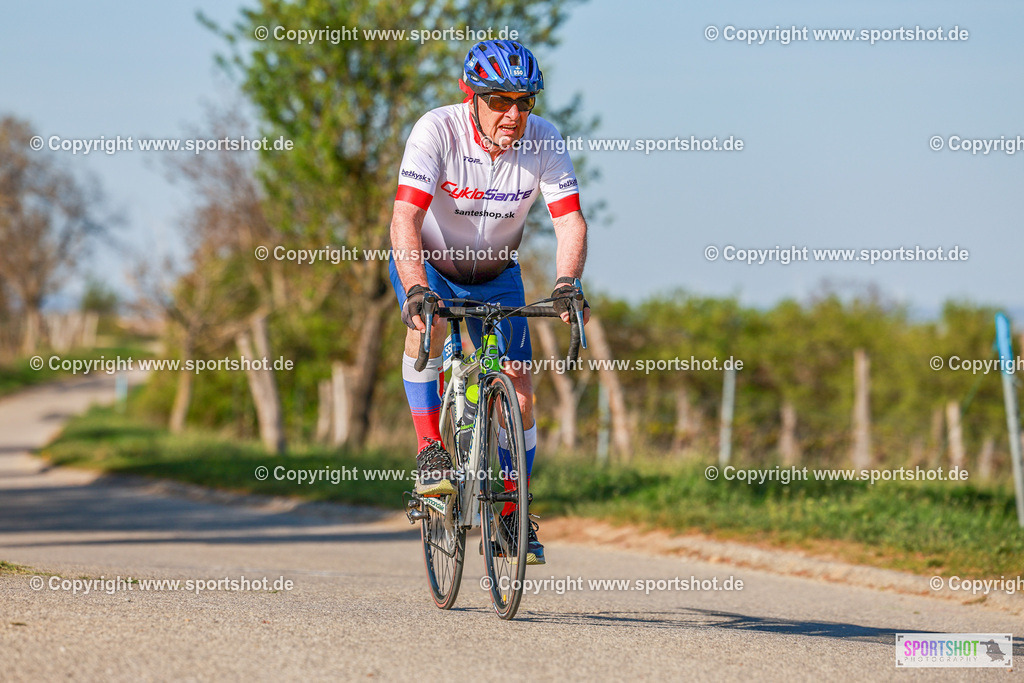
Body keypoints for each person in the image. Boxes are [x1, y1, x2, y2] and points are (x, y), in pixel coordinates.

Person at [389, 39, 589, 565]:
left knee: (519, 386)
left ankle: (512, 510)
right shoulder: (437, 129)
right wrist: (415, 289)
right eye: (500, 100)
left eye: (524, 102)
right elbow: (405, 218)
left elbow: (569, 220)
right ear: (471, 96)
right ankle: (430, 449)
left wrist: (567, 282)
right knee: (426, 333)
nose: (514, 114)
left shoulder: (543, 139)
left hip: (499, 274)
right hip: (431, 266)